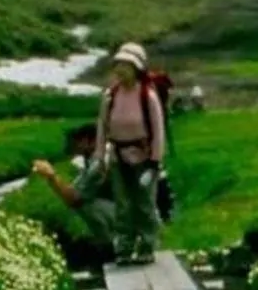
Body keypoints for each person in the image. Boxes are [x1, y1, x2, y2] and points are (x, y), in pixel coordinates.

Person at [31, 46, 169, 266]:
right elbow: (102, 127)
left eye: (125, 65)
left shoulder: (147, 96)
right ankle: (123, 248)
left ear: (136, 68)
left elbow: (158, 130)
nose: (119, 70)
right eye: (117, 65)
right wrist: (99, 156)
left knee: (144, 203)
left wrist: (154, 162)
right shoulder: (111, 96)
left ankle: (147, 245)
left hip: (143, 158)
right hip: (117, 156)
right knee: (124, 204)